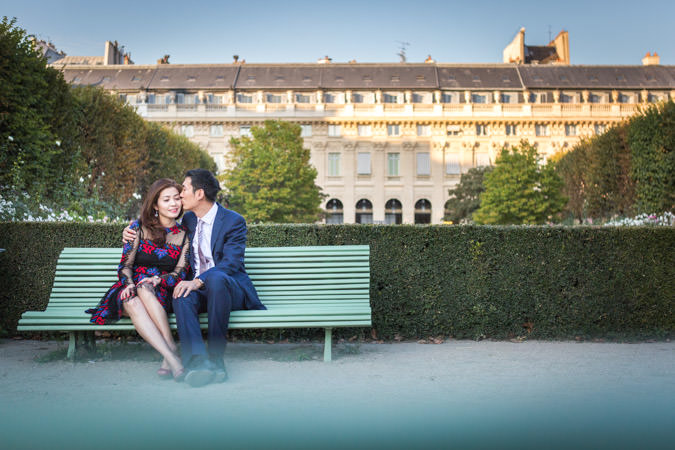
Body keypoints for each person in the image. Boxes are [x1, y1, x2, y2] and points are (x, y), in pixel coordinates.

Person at [123, 169, 266, 387]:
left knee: (215, 279)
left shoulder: (233, 221)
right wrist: (130, 229)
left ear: (199, 194)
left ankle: (217, 361)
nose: (180, 194)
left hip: (229, 290)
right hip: (199, 291)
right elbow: (158, 222)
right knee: (181, 293)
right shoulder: (189, 219)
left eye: (184, 189)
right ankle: (198, 363)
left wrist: (199, 280)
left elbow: (231, 264)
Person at [86, 178, 189, 381]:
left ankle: (170, 358)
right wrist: (130, 284)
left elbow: (180, 271)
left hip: (161, 290)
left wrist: (159, 280)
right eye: (166, 199)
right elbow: (125, 265)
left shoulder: (185, 235)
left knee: (145, 288)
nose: (173, 204)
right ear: (155, 205)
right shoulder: (138, 228)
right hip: (129, 286)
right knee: (133, 297)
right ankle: (172, 355)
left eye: (176, 198)